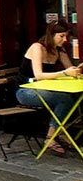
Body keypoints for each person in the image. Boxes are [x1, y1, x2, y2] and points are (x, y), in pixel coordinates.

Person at [16, 20, 82, 155]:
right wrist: (64, 73)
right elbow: (38, 75)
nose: (64, 39)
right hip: (25, 91)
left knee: (75, 97)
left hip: (46, 89)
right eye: (61, 36)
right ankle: (51, 137)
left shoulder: (59, 50)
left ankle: (60, 132)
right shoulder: (37, 47)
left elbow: (69, 69)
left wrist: (77, 70)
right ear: (51, 35)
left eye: (66, 36)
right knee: (65, 100)